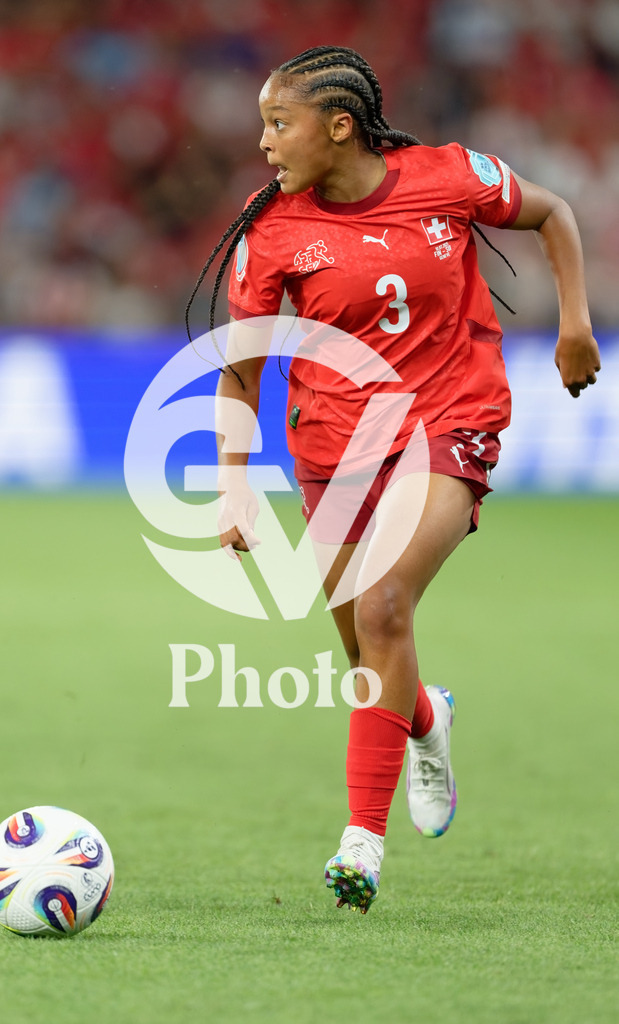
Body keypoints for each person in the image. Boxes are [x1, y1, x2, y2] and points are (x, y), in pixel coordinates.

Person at [185, 45, 601, 914]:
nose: (264, 142)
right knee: (365, 654)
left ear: (339, 127)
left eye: (279, 122)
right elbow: (241, 371)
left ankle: (360, 846)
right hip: (332, 448)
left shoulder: (448, 177)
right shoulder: (272, 232)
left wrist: (573, 324)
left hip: (449, 419)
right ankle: (426, 720)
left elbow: (553, 212)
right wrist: (232, 484)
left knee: (382, 609)